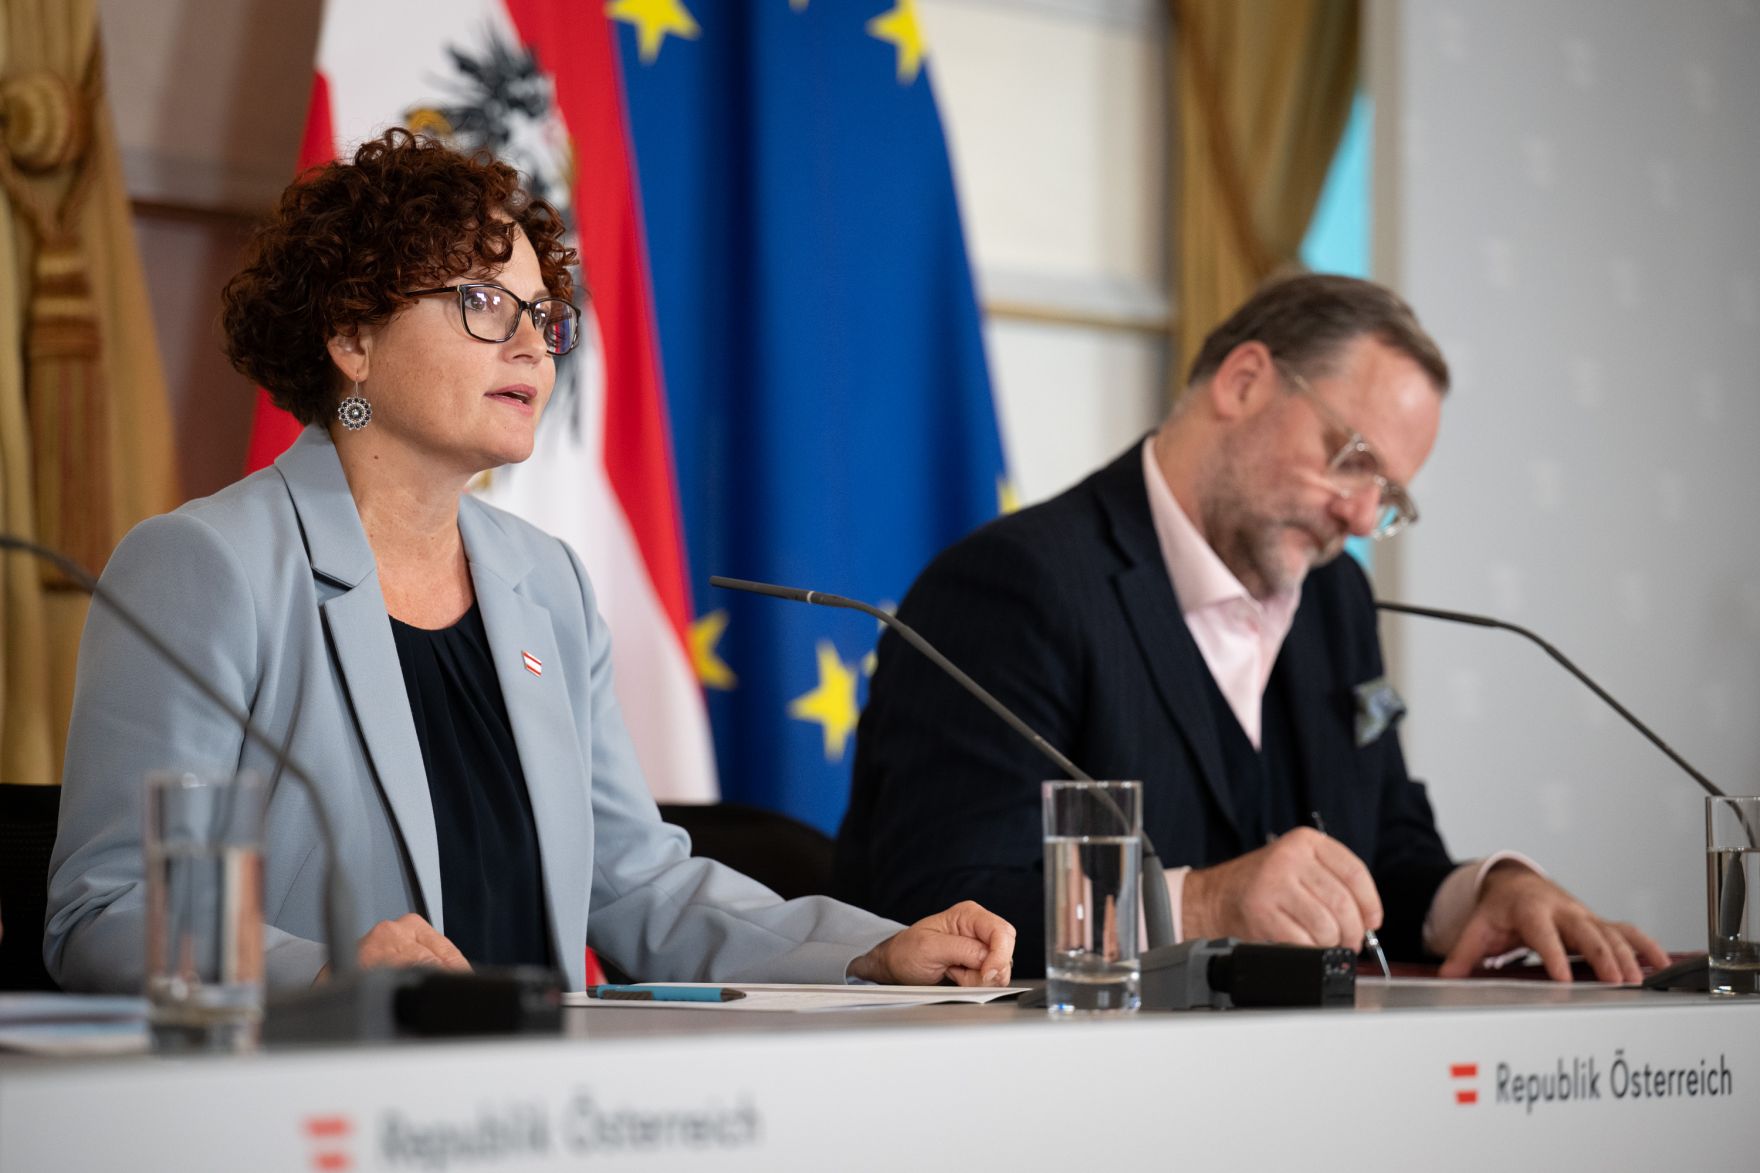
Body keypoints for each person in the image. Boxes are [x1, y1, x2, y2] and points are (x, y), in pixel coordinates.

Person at [44, 130, 1014, 994]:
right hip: (319, 1108)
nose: (531, 346)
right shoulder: (209, 567)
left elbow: (639, 884)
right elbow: (106, 908)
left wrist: (867, 951)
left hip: (542, 1108)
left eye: (543, 317)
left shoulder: (543, 579)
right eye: (480, 303)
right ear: (350, 336)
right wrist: (328, 972)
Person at [836, 273, 1667, 984]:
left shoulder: (1336, 596)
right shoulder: (1012, 587)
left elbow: (1385, 856)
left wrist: (1490, 891)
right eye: (1354, 457)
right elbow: (936, 902)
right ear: (1243, 382)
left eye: (1391, 498)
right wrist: (1200, 902)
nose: (1359, 512)